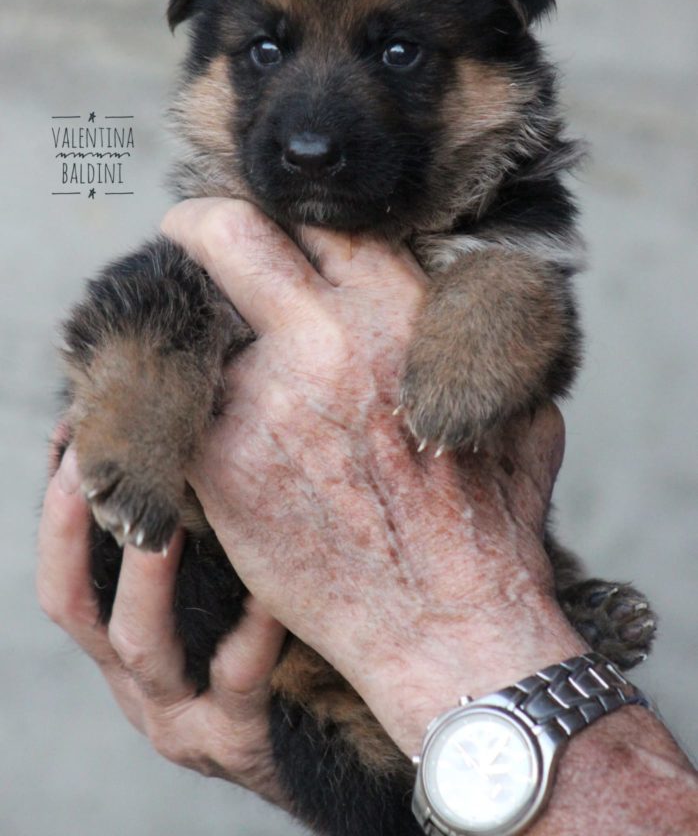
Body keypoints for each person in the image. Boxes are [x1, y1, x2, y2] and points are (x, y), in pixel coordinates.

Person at [38, 198, 698, 834]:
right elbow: (132, 339)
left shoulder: (502, 241)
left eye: (407, 70)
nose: (311, 142)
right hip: (246, 643)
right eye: (262, 70)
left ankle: (520, 660)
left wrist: (485, 642)